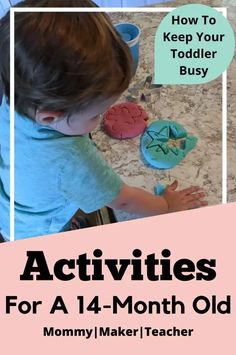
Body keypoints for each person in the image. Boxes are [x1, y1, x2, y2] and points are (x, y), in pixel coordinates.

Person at [0, 0, 207, 241]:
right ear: (49, 116)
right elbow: (123, 199)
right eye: (95, 114)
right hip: (36, 231)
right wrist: (167, 206)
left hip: (12, 211)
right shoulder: (72, 158)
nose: (100, 119)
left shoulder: (16, 95)